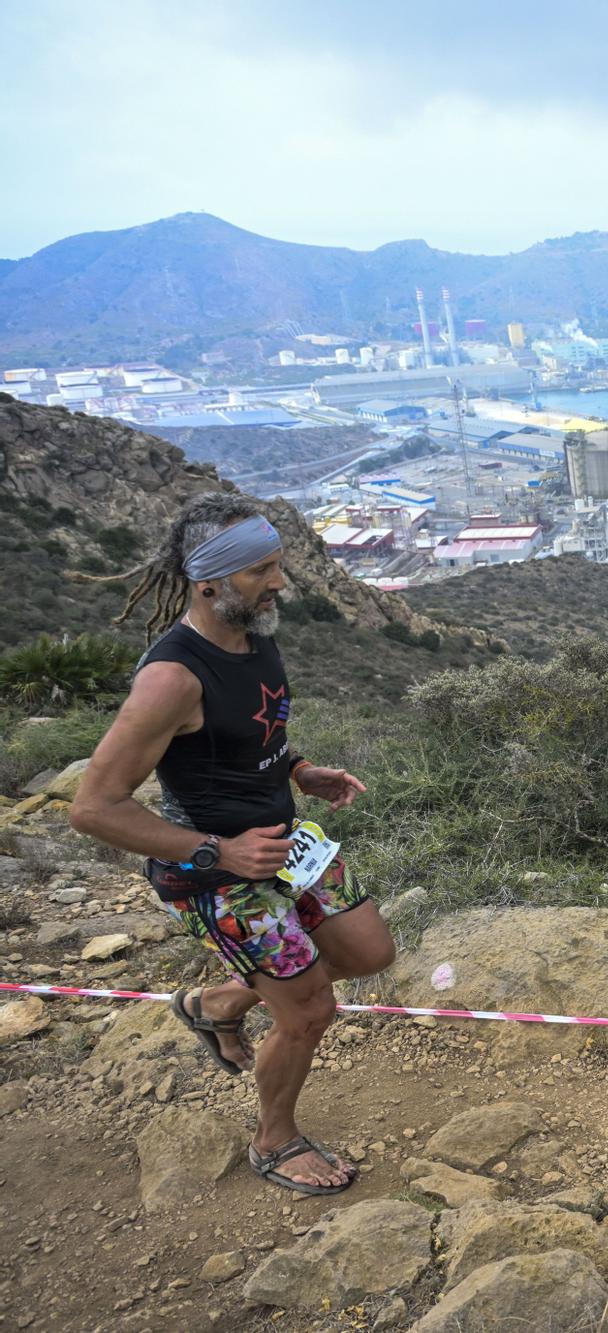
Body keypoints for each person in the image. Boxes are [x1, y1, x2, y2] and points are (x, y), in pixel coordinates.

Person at [70, 493, 393, 1195]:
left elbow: (251, 734)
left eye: (276, 566)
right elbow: (93, 808)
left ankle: (218, 1003)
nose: (278, 582)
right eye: (260, 571)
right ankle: (275, 1139)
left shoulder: (254, 632)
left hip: (282, 840)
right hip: (216, 872)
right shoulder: (170, 678)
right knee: (309, 1009)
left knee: (369, 950)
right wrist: (218, 853)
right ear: (208, 579)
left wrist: (300, 769)